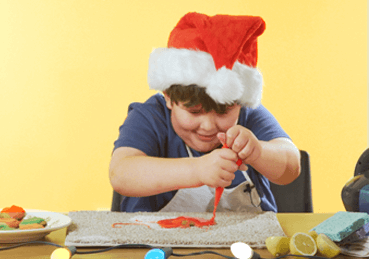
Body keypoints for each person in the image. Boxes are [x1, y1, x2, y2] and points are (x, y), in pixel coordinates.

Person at [109, 12, 301, 213]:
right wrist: (197, 170)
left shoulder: (249, 115)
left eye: (223, 112)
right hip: (154, 241)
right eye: (194, 112)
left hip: (243, 242)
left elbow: (292, 168)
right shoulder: (149, 117)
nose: (208, 126)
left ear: (240, 102)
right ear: (168, 97)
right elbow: (121, 173)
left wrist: (258, 152)